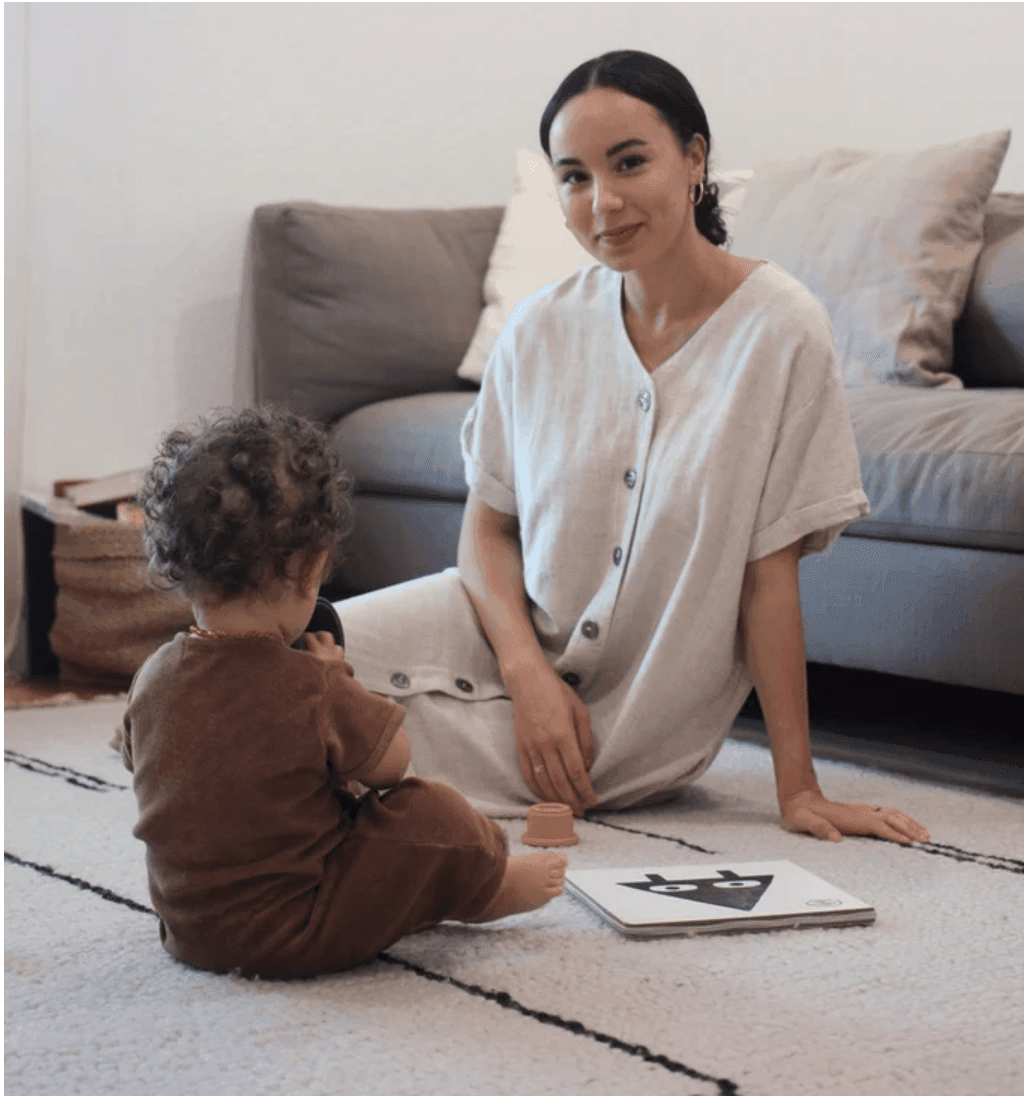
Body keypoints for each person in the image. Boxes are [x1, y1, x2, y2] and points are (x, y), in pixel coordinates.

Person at [336, 50, 930, 848]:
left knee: (302, 747)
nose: (602, 202)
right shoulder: (538, 329)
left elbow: (769, 576)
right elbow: (486, 531)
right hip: (486, 628)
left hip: (616, 732)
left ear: (695, 159)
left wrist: (801, 789)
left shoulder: (781, 330)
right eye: (574, 177)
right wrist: (527, 672)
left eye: (629, 163)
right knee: (260, 669)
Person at [120, 407, 567, 980]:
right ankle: (487, 889)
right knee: (433, 814)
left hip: (189, 931)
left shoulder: (153, 676)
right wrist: (337, 676)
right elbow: (391, 768)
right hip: (296, 930)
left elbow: (148, 765)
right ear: (310, 569)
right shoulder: (310, 683)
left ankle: (412, 896)